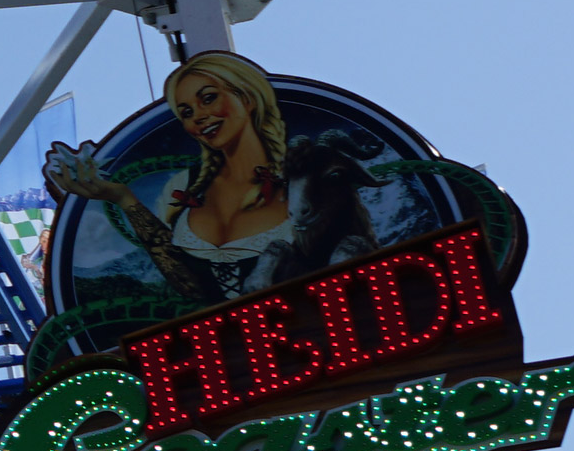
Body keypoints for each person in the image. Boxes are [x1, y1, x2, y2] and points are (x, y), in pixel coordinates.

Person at [45, 51, 383, 308]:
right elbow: (193, 288)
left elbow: (358, 248)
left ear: (247, 98)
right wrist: (123, 198)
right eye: (187, 112)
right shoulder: (186, 188)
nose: (199, 118)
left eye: (208, 98)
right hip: (229, 363)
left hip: (330, 340)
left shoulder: (307, 171)